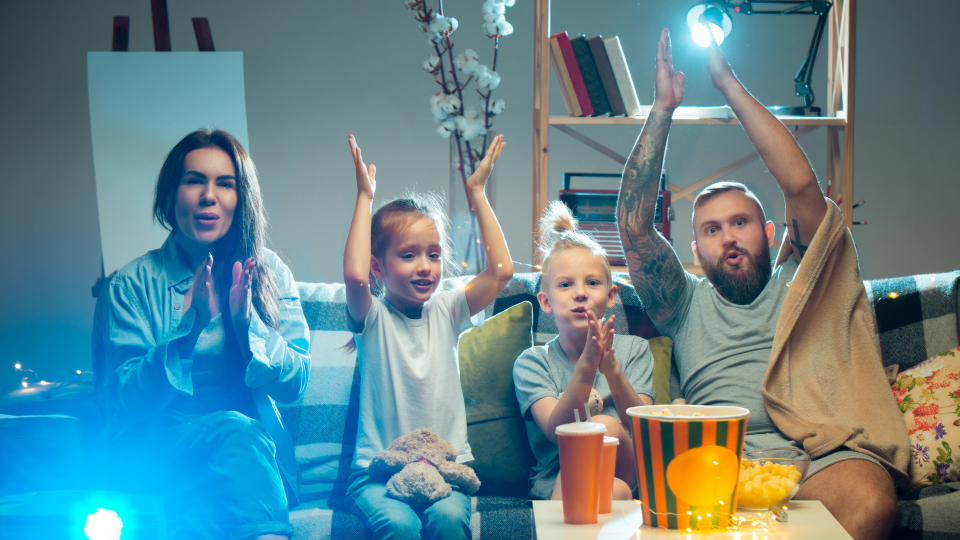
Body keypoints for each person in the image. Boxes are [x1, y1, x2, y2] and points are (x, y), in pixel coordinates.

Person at [615, 28, 909, 540]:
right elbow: (634, 228)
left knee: (871, 503)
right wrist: (663, 109)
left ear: (771, 233)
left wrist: (727, 83)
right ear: (695, 251)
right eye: (711, 229)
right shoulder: (681, 303)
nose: (728, 237)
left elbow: (800, 186)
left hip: (818, 458)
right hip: (715, 463)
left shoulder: (809, 282)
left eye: (741, 222)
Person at [93, 129, 310, 540]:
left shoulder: (268, 270)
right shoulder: (130, 285)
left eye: (225, 183)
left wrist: (249, 326)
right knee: (234, 428)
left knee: (215, 489)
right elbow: (125, 401)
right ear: (171, 194)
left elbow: (296, 382)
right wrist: (188, 330)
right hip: (162, 452)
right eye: (194, 180)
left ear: (240, 198)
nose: (208, 195)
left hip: (250, 464)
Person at [343, 133, 513, 539]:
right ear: (378, 268)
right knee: (399, 524)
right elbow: (352, 274)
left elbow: (502, 270)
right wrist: (365, 197)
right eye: (408, 255)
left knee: (448, 520)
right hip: (377, 472)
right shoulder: (373, 319)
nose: (425, 266)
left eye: (433, 254)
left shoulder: (448, 308)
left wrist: (477, 193)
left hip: (447, 469)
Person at [513, 201, 655, 501]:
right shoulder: (533, 362)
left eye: (592, 282)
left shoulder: (635, 350)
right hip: (557, 478)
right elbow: (556, 430)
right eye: (565, 284)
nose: (580, 292)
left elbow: (642, 428)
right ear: (546, 301)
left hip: (624, 467)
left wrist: (610, 368)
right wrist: (587, 367)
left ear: (611, 295)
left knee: (604, 426)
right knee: (613, 492)